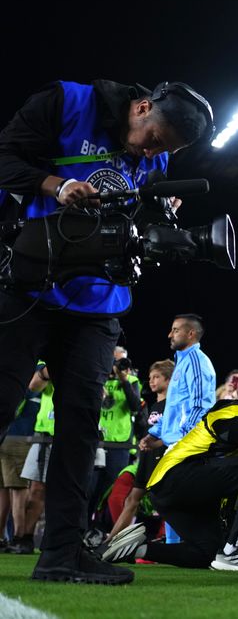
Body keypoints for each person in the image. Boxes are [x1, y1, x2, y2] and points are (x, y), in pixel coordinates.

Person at [0, 79, 213, 584]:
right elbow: (4, 159)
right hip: (31, 285)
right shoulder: (69, 103)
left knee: (80, 430)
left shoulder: (158, 158)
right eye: (155, 138)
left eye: (168, 150)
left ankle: (62, 554)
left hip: (98, 305)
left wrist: (160, 218)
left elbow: (137, 216)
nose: (155, 152)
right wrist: (56, 185)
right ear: (141, 107)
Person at [101, 369, 238, 572]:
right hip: (177, 477)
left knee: (207, 553)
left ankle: (136, 550)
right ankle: (233, 550)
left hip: (169, 487)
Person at [104, 360, 173, 545]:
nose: (151, 381)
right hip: (147, 459)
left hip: (163, 461)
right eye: (150, 377)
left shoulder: (173, 406)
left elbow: (172, 435)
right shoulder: (154, 405)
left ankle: (168, 544)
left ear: (169, 380)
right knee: (131, 500)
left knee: (166, 505)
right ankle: (112, 542)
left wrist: (155, 443)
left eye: (157, 377)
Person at [139, 314, 216, 454]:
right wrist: (154, 434)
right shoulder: (182, 363)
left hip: (186, 446)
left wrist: (183, 440)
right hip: (176, 445)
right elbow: (172, 408)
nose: (169, 335)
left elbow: (201, 407)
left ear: (190, 333)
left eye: (175, 330)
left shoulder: (196, 362)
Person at [0, 363, 46, 554]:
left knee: (4, 489)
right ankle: (19, 537)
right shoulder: (37, 369)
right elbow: (30, 391)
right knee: (18, 489)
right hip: (21, 437)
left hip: (7, 435)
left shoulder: (13, 364)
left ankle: (3, 537)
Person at [90, 356, 142, 519]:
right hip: (97, 441)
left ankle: (102, 527)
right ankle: (85, 526)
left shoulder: (132, 380)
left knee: (112, 489)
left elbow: (135, 407)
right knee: (91, 487)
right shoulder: (97, 379)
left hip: (119, 444)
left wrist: (124, 380)